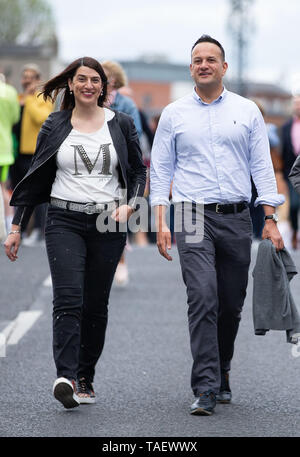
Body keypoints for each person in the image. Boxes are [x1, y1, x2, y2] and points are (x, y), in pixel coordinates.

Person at [150, 35, 284, 416]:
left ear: (224, 67)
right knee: (202, 296)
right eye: (197, 60)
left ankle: (222, 366)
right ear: (190, 67)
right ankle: (206, 385)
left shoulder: (248, 111)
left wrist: (271, 218)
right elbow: (160, 170)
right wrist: (160, 220)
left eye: (211, 59)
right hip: (191, 213)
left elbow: (262, 166)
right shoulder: (174, 114)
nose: (204, 64)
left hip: (238, 216)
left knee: (230, 303)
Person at [4, 57, 146, 409]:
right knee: (68, 299)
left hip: (107, 223)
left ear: (103, 87)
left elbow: (138, 172)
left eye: (94, 80)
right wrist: (17, 226)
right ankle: (65, 376)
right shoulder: (55, 123)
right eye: (81, 79)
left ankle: (85, 377)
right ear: (71, 84)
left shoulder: (122, 123)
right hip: (63, 219)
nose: (87, 85)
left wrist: (132, 206)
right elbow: (36, 176)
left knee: (95, 305)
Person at [102, 61, 143, 285]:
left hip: (119, 167)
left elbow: (134, 137)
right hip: (94, 167)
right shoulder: (90, 101)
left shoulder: (126, 105)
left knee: (116, 217)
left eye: (104, 76)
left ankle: (121, 260)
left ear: (114, 80)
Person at [10, 63, 53, 245]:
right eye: (24, 76)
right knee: (19, 193)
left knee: (37, 193)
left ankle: (39, 230)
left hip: (36, 152)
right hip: (17, 152)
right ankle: (20, 229)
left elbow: (41, 118)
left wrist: (28, 100)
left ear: (38, 80)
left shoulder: (43, 97)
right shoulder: (18, 98)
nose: (27, 80)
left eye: (31, 77)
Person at [0, 73, 20, 236]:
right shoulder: (10, 92)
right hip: (4, 147)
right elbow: (15, 117)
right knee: (3, 188)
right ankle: (7, 227)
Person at [281, 96, 300, 249]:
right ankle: (294, 232)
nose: (297, 107)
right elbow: (283, 151)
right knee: (293, 205)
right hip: (292, 172)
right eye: (296, 104)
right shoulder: (286, 126)